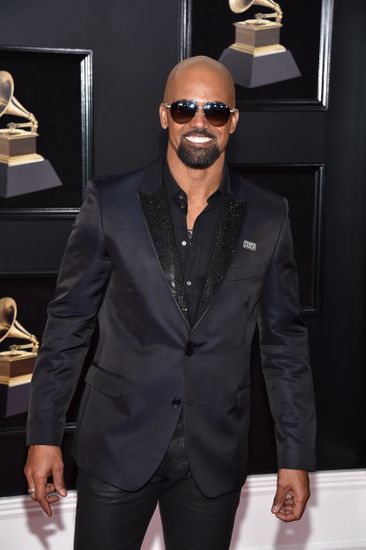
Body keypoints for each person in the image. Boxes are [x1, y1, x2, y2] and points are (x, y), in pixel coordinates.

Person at [25, 56, 316, 550]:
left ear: (234, 121)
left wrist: (296, 456)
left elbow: (284, 345)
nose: (199, 122)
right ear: (164, 115)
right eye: (185, 108)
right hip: (117, 444)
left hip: (213, 455)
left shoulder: (269, 216)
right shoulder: (110, 203)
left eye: (215, 110)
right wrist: (44, 432)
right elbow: (69, 323)